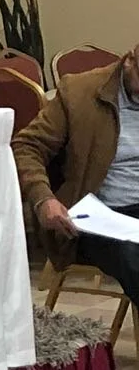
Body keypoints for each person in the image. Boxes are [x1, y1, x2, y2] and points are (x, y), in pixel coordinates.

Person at [14, 42, 139, 302]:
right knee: (134, 257)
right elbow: (27, 146)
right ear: (129, 61)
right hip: (100, 216)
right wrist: (43, 199)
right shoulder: (79, 92)